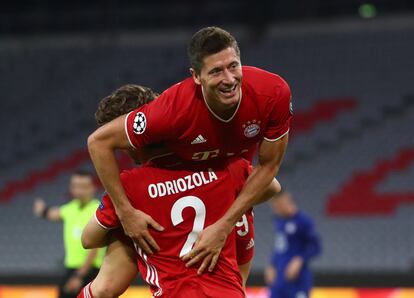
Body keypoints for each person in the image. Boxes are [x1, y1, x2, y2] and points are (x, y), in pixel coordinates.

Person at [87, 26, 292, 273]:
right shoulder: (172, 112)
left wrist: (223, 222)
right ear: (196, 76)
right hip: (223, 188)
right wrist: (126, 213)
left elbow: (269, 168)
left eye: (233, 66)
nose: (229, 79)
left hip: (231, 192)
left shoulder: (272, 93)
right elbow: (98, 142)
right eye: (216, 71)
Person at [78, 84, 277, 298]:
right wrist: (227, 209)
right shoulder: (225, 165)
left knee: (110, 269)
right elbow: (272, 187)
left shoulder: (130, 187)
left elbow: (88, 240)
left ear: (130, 140)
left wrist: (127, 218)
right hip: (229, 292)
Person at [33, 171, 105, 298]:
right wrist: (42, 211)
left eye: (84, 186)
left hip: (90, 271)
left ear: (93, 188)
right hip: (71, 268)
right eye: (76, 186)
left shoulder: (97, 210)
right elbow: (54, 213)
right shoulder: (70, 208)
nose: (79, 190)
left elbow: (95, 249)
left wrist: (79, 276)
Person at [264, 191, 321, 298]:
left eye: (277, 206)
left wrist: (299, 259)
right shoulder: (279, 221)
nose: (275, 210)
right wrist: (272, 265)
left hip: (298, 280)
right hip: (279, 280)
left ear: (285, 202)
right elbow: (279, 246)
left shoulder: (303, 221)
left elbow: (316, 246)